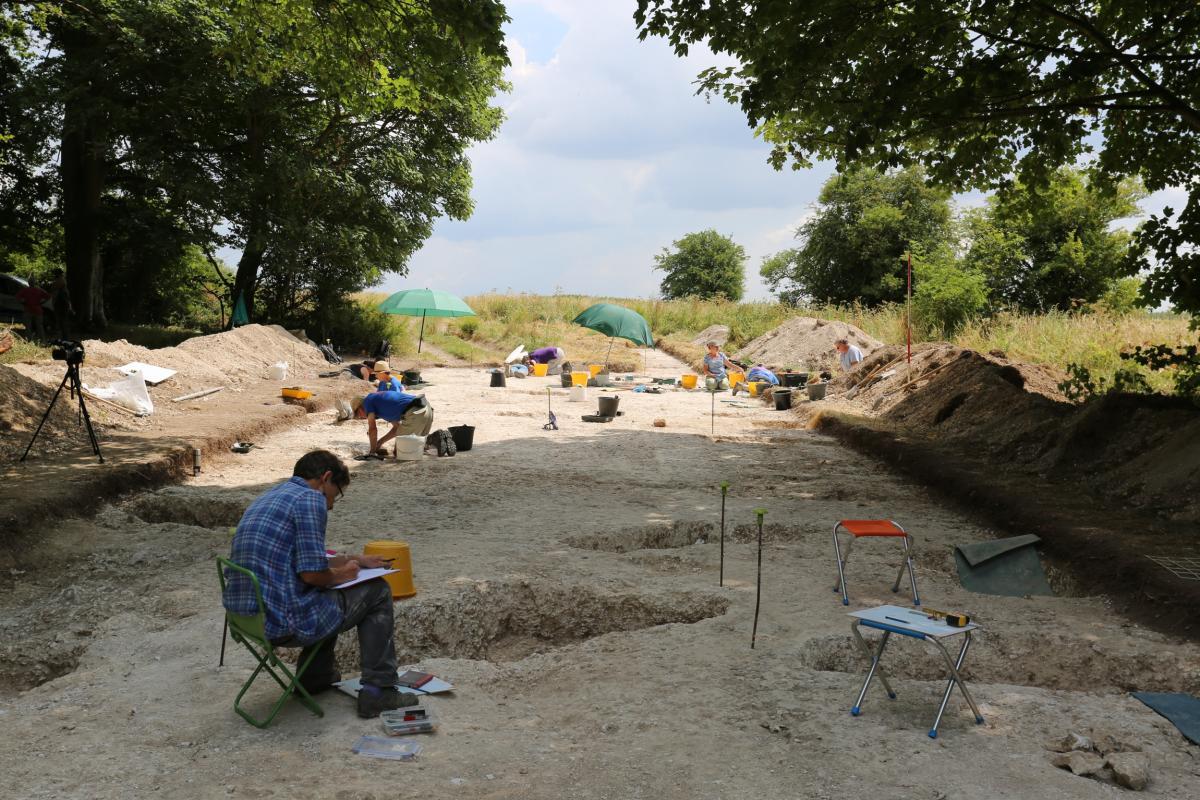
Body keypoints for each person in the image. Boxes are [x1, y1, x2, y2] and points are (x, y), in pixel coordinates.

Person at [221, 450, 415, 718]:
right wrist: (343, 575)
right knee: (378, 590)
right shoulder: (311, 500)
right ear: (326, 478)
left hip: (246, 617)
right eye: (336, 494)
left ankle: (314, 677)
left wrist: (355, 560)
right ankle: (378, 691)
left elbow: (303, 556)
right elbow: (312, 574)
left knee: (324, 595)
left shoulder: (271, 496)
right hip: (281, 623)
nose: (332, 505)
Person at [352, 390, 447, 456]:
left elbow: (372, 429)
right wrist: (380, 442)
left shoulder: (367, 402)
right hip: (426, 409)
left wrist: (372, 452)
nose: (361, 417)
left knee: (401, 453)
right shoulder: (380, 405)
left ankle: (434, 439)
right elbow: (397, 428)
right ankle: (435, 440)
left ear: (360, 407)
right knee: (418, 446)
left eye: (358, 414)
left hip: (415, 412)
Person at [48, 269, 73, 339]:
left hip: (60, 304)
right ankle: (64, 336)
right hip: (63, 304)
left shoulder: (58, 282)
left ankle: (63, 337)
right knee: (63, 321)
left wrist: (53, 302)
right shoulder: (63, 281)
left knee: (61, 321)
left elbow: (55, 294)